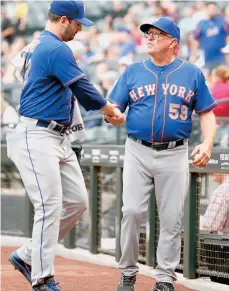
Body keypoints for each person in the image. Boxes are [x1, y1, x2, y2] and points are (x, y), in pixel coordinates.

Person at [7, 1, 124, 291]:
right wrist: (108, 109)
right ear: (62, 20)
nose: (80, 28)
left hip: (58, 135)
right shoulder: (55, 47)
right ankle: (42, 278)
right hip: (36, 134)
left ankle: (27, 255)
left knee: (77, 201)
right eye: (77, 22)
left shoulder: (39, 45)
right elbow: (83, 88)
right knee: (49, 206)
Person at [104, 17, 217, 291]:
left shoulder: (191, 73)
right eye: (148, 33)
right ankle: (128, 271)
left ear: (173, 43)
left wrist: (209, 142)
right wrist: (113, 116)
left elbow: (207, 113)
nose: (150, 37)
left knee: (171, 218)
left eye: (157, 33)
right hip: (137, 149)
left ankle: (165, 277)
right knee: (130, 211)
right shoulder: (133, 71)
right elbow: (111, 106)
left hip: (174, 153)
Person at [190, 2, 229, 70]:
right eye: (210, 8)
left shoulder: (222, 21)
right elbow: (196, 39)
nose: (212, 10)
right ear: (206, 9)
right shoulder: (201, 24)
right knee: (207, 78)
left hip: (221, 57)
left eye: (214, 8)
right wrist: (193, 55)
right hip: (207, 57)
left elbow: (227, 36)